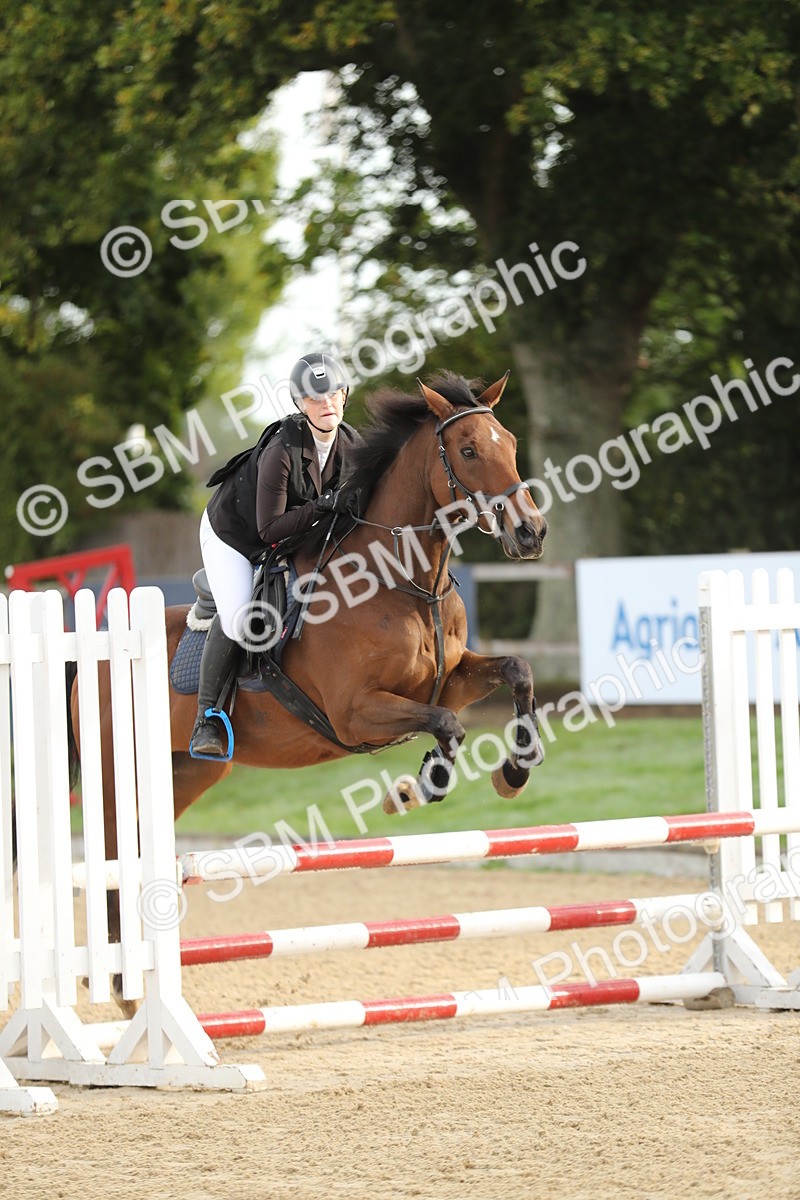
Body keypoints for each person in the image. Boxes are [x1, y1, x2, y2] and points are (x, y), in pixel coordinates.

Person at [189, 352, 363, 759]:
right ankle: (207, 718)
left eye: (334, 394)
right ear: (300, 403)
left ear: (344, 396)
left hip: (292, 534)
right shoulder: (282, 449)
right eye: (315, 397)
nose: (326, 403)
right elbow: (269, 529)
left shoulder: (352, 445)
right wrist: (325, 505)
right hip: (234, 535)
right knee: (238, 620)